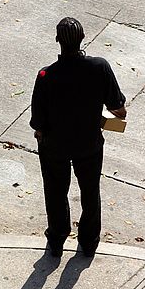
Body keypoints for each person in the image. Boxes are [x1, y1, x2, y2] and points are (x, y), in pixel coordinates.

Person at [30, 17, 126, 258]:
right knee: (90, 192)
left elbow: (38, 122)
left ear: (57, 41)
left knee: (55, 192)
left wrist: (41, 136)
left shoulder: (45, 75)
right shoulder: (99, 67)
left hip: (54, 147)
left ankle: (57, 239)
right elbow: (118, 110)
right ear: (83, 38)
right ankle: (89, 241)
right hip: (89, 145)